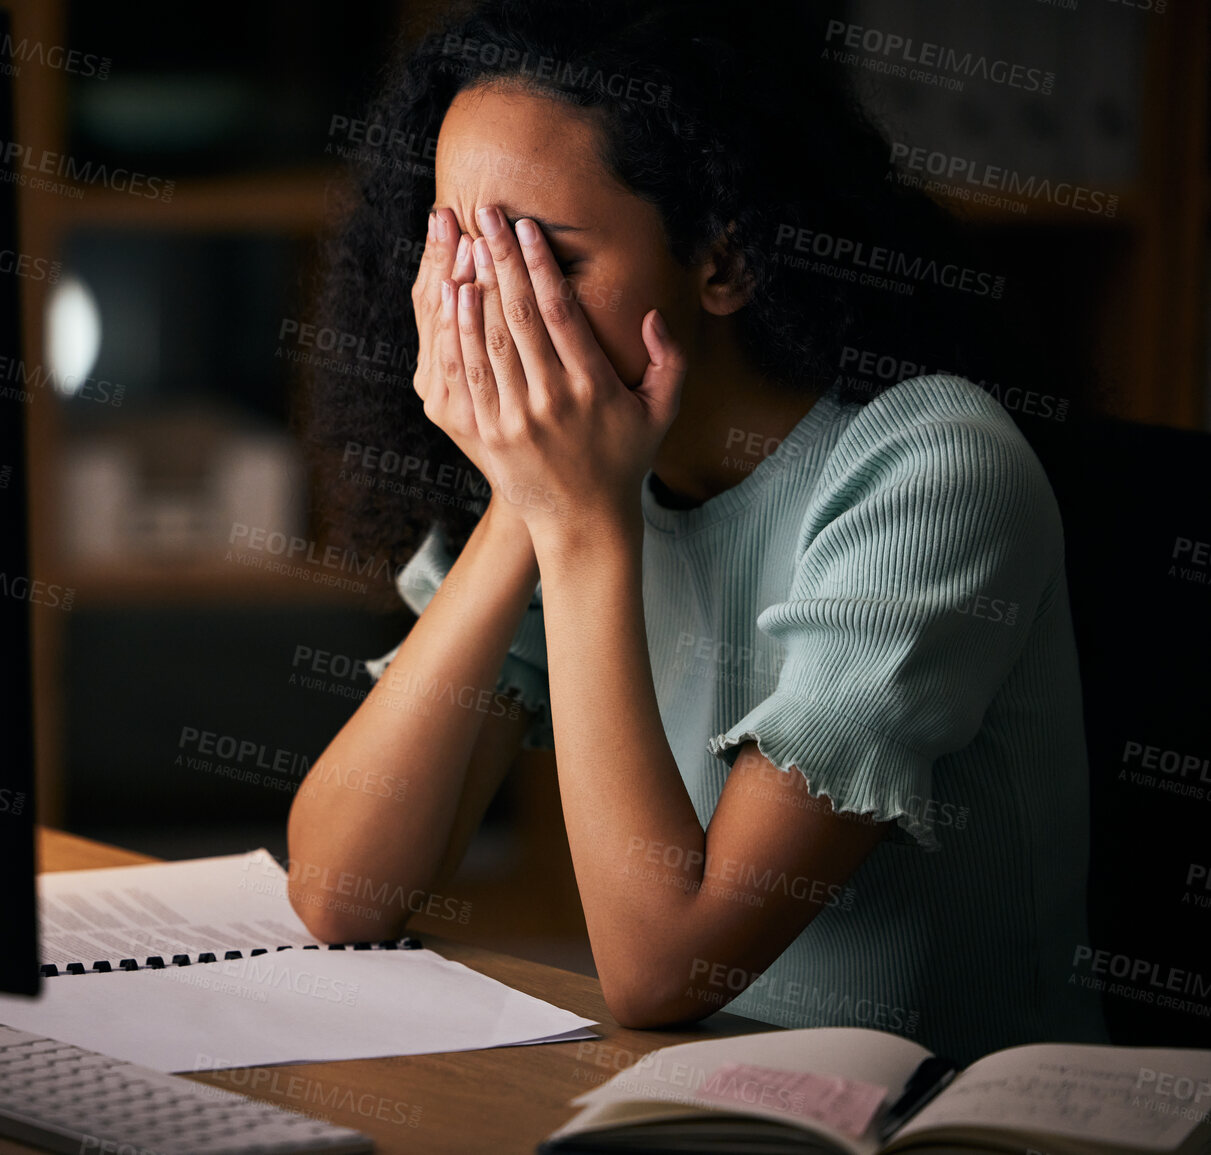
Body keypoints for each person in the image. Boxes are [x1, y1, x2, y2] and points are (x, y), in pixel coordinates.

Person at [284, 0, 1105, 1061]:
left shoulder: (933, 469)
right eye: (458, 250)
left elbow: (668, 969)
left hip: (939, 1123)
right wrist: (521, 504)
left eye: (548, 259)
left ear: (723, 260)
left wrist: (577, 521)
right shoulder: (580, 481)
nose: (493, 311)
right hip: (691, 1099)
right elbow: (340, 891)